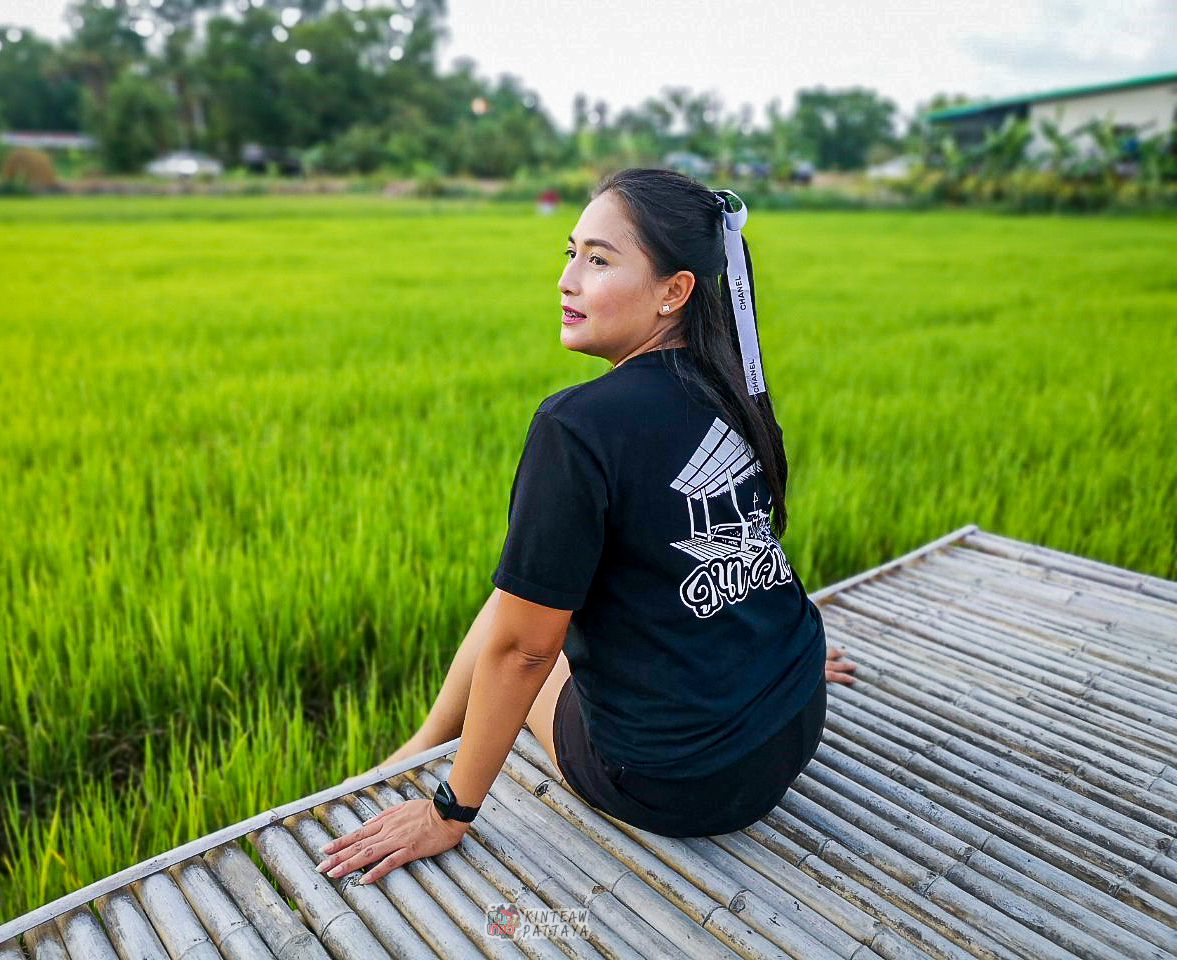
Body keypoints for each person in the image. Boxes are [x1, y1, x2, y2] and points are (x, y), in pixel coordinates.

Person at [316, 167, 857, 886]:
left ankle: (420, 752)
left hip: (674, 780)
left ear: (674, 291)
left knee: (518, 616)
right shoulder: (734, 386)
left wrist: (451, 811)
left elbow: (523, 653)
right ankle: (418, 743)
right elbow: (737, 538)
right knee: (532, 590)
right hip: (792, 720)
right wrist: (771, 654)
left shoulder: (576, 426)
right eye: (570, 254)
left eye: (598, 260)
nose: (567, 280)